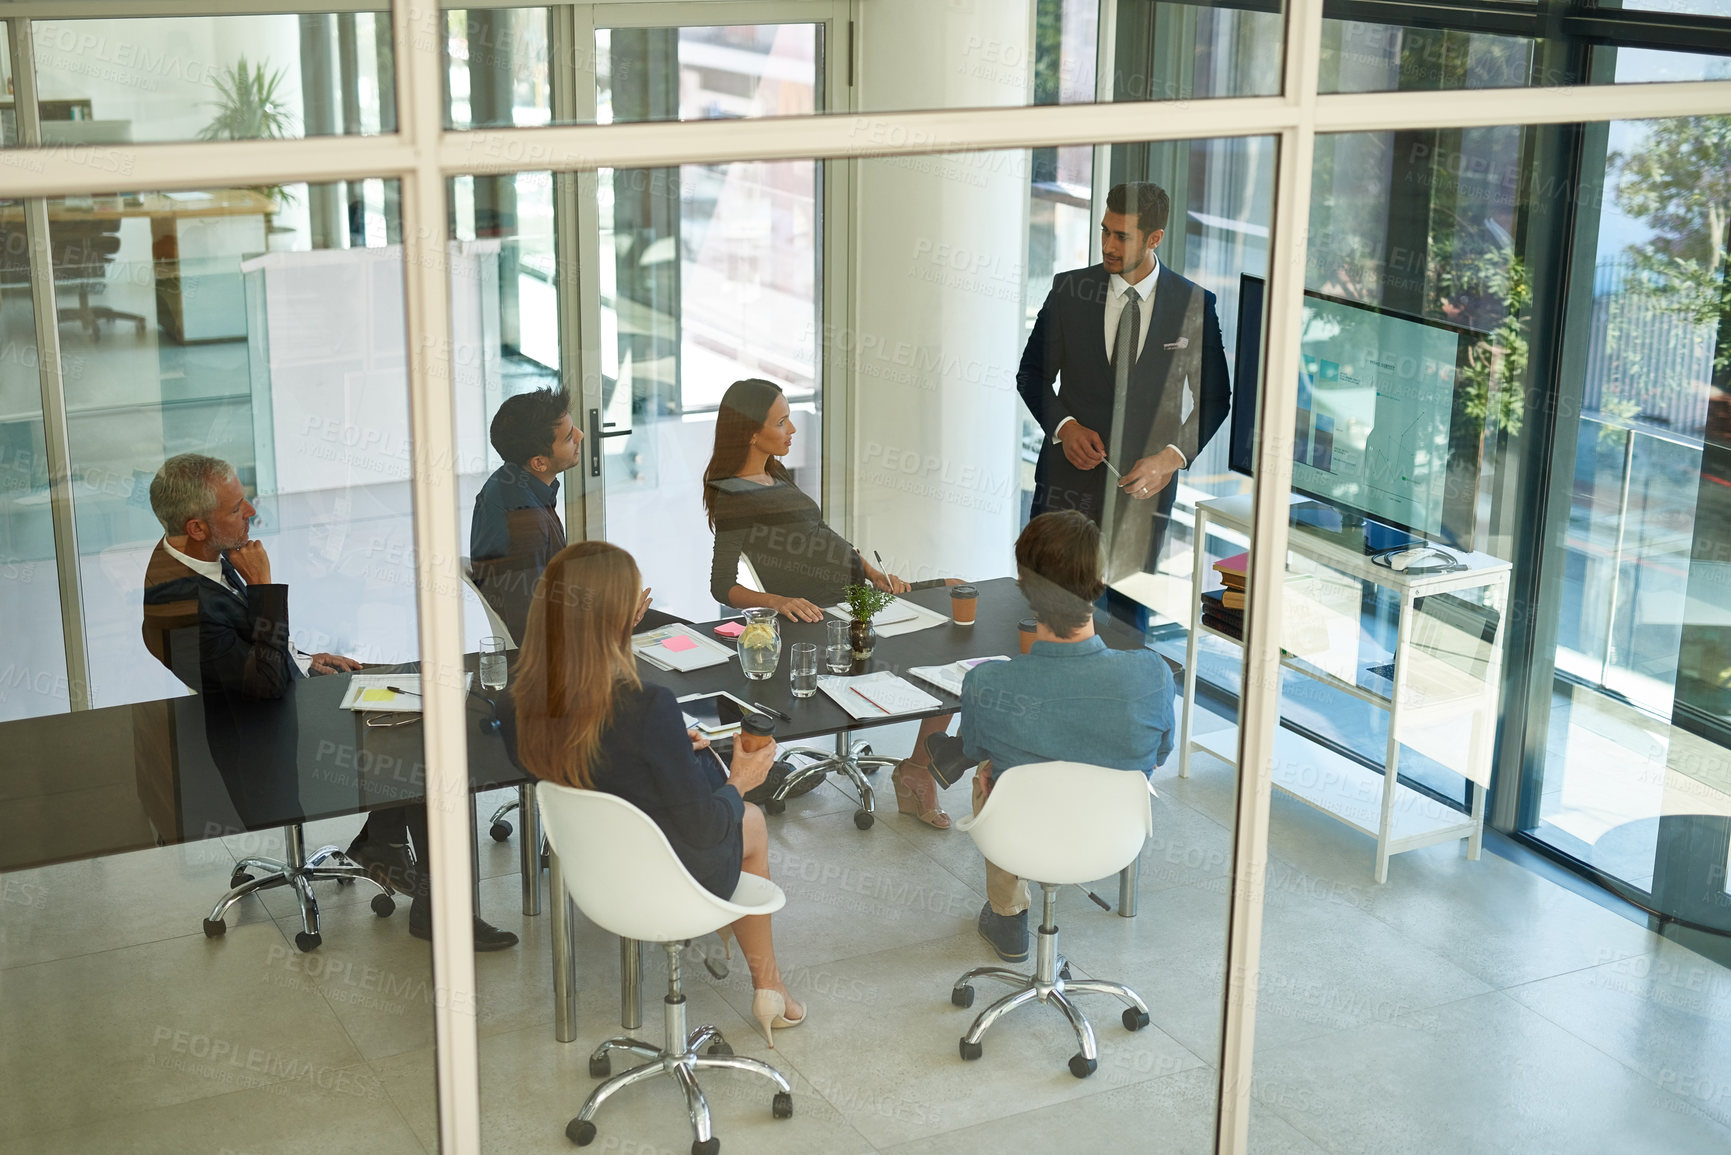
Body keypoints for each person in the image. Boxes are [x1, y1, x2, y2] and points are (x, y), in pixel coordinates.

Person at [143, 453, 518, 950]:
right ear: (196, 526)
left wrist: (303, 658)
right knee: (427, 751)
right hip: (258, 744)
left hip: (273, 702)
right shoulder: (179, 600)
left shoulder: (194, 557)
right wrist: (264, 588)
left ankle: (385, 845)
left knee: (412, 693)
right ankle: (431, 902)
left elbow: (240, 655)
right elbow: (261, 683)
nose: (251, 511)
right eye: (236, 508)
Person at [514, 541, 806, 1045]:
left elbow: (596, 755)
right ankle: (769, 988)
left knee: (724, 801)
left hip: (595, 871)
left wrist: (673, 747)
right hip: (661, 873)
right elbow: (704, 826)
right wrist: (742, 778)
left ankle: (747, 962)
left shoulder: (525, 694)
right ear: (618, 616)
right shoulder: (647, 705)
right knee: (749, 819)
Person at [703, 377, 955, 830]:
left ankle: (917, 766)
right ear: (751, 433)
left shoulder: (772, 473)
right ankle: (919, 773)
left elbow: (823, 536)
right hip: (831, 612)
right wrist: (778, 600)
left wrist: (875, 573)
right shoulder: (735, 495)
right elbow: (723, 586)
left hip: (860, 595)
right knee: (942, 642)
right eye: (781, 422)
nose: (792, 430)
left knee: (956, 594)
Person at [957, 511, 1175, 962]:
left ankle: (1008, 913)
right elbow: (1159, 756)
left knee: (989, 772)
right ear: (1100, 579)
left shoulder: (989, 684)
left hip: (1018, 837)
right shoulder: (1151, 672)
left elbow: (972, 750)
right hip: (1112, 842)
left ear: (1023, 584)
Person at [1016, 181, 1231, 597]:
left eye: (1122, 236)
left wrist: (1171, 458)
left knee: (1127, 625)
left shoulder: (1194, 305)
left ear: (1155, 239)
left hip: (1144, 498)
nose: (1108, 245)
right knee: (1046, 608)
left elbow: (1215, 399)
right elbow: (1032, 374)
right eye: (1104, 232)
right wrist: (1066, 426)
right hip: (1065, 489)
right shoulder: (1068, 291)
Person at [472, 386, 684, 642]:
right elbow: (532, 626)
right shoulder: (524, 519)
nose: (581, 435)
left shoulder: (512, 485)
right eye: (569, 437)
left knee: (684, 633)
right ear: (539, 462)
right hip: (568, 647)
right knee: (685, 638)